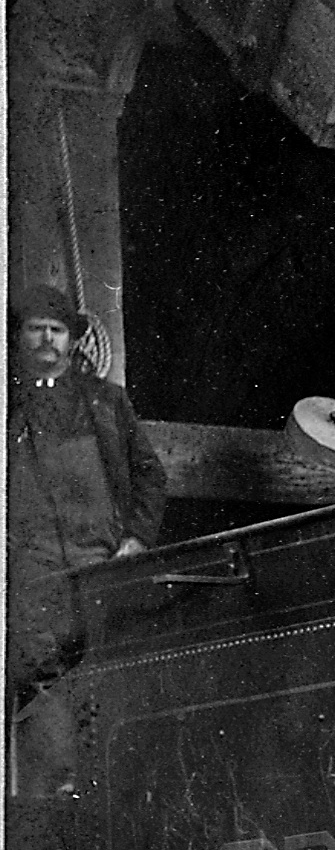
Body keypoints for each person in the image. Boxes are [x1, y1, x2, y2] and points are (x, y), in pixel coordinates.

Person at [8, 283, 165, 787]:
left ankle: (107, 788)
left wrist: (137, 539)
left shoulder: (106, 402)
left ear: (72, 340)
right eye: (36, 329)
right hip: (32, 570)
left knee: (104, 669)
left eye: (56, 330)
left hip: (99, 561)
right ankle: (55, 793)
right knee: (39, 676)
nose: (46, 339)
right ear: (19, 337)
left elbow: (150, 476)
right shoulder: (7, 405)